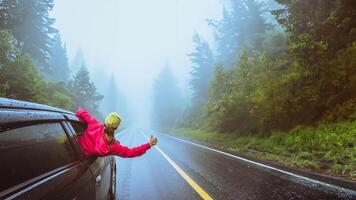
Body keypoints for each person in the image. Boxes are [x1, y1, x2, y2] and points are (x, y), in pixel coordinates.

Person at [75, 107, 157, 158]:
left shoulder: (94, 124)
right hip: (84, 159)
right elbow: (132, 152)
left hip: (73, 151)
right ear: (117, 127)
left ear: (105, 121)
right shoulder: (113, 146)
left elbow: (80, 111)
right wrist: (149, 144)